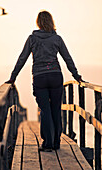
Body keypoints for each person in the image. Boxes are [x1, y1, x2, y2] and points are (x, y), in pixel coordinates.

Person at [6, 10, 83, 152]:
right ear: (51, 21)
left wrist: (13, 77)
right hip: (55, 76)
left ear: (38, 23)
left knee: (45, 110)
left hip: (40, 78)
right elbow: (67, 58)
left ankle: (47, 143)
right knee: (55, 109)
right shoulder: (57, 39)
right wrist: (76, 75)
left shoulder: (32, 39)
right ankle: (56, 142)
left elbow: (22, 58)